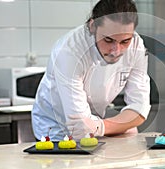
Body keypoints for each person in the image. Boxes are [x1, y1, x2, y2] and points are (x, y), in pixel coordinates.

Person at [32, 0, 151, 141]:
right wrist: (119, 124)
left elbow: (139, 108)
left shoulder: (137, 46)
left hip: (97, 125)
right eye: (108, 40)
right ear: (93, 26)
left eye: (125, 41)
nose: (116, 51)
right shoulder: (69, 51)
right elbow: (79, 124)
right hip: (56, 129)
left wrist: (100, 126)